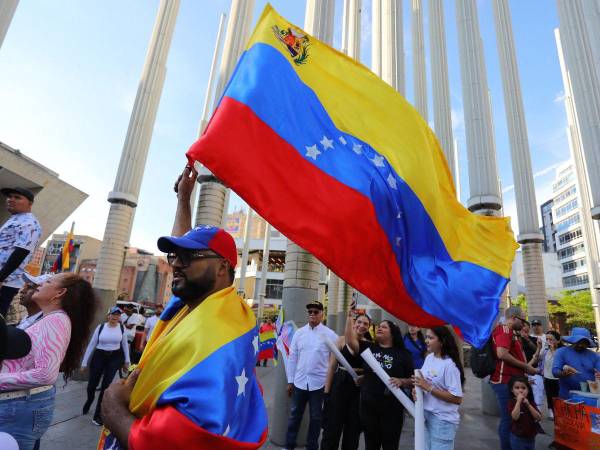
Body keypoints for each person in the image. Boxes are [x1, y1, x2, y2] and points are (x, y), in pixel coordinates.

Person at [100, 165, 267, 449]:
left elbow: (175, 439)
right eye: (174, 255)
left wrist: (113, 406)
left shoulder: (222, 329)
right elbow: (185, 249)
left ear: (222, 268)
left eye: (188, 257)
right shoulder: (196, 304)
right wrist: (183, 199)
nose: (175, 263)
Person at [0, 273, 96, 450]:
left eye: (48, 282)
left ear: (59, 293)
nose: (40, 284)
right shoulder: (49, 318)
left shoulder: (56, 320)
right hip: (17, 404)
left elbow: (45, 374)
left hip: (18, 407)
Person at [346, 312, 414, 450]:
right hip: (368, 407)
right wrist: (349, 318)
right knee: (371, 444)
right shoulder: (369, 348)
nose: (379, 328)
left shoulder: (403, 354)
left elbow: (413, 380)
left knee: (390, 445)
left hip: (392, 409)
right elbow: (350, 341)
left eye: (384, 327)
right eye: (379, 327)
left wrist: (402, 381)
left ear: (393, 333)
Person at [284, 300, 337, 450]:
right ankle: (289, 446)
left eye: (316, 311)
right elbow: (292, 358)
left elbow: (335, 360)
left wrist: (328, 385)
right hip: (299, 383)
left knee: (316, 418)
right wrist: (290, 381)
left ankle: (311, 447)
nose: (312, 314)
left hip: (318, 385)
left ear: (322, 314)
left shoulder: (330, 335)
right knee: (294, 416)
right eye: (310, 312)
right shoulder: (299, 333)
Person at [320, 311, 371, 450]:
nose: (361, 325)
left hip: (358, 388)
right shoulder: (341, 340)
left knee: (353, 428)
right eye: (359, 322)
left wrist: (365, 378)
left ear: (368, 327)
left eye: (365, 324)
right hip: (340, 383)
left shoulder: (369, 345)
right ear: (353, 324)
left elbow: (372, 371)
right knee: (332, 426)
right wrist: (326, 393)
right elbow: (331, 367)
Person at [490, 306, 538, 450]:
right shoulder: (505, 330)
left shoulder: (511, 332)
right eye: (522, 320)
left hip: (512, 381)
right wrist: (526, 367)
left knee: (512, 418)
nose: (524, 324)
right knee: (509, 418)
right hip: (504, 381)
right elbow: (502, 354)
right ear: (513, 318)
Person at [413, 326, 464, 450]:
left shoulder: (450, 365)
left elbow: (457, 398)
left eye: (430, 338)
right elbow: (424, 383)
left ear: (442, 341)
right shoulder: (429, 358)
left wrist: (429, 388)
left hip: (442, 420)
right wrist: (418, 391)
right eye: (426, 337)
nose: (426, 341)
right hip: (425, 414)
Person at [81, 306, 130, 426]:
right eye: (113, 314)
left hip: (114, 357)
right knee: (92, 385)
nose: (115, 317)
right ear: (109, 315)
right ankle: (89, 400)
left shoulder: (122, 328)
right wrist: (84, 363)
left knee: (105, 387)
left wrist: (127, 361)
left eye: (118, 315)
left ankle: (98, 415)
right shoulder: (101, 327)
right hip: (99, 356)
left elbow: (124, 345)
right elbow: (91, 345)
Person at [0, 187, 42, 317]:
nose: (11, 200)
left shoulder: (30, 223)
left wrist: (1, 278)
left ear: (30, 203)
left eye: (17, 197)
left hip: (5, 282)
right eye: (9, 197)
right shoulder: (16, 218)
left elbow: (21, 252)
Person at [552, 327, 600, 399]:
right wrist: (562, 373)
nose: (580, 345)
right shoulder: (561, 352)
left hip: (590, 397)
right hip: (567, 396)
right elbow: (555, 372)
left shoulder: (594, 356)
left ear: (588, 343)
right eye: (578, 342)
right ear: (572, 340)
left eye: (583, 343)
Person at [508, 376, 541, 450]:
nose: (520, 390)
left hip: (530, 437)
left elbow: (538, 417)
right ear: (512, 390)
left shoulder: (531, 402)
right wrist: (518, 402)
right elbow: (515, 417)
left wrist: (528, 405)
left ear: (528, 390)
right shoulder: (512, 402)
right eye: (517, 388)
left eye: (523, 388)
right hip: (518, 437)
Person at [519, 321, 544, 409]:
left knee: (537, 393)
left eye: (524, 326)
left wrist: (527, 340)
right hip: (520, 372)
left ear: (529, 328)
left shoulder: (534, 339)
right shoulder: (515, 339)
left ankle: (537, 412)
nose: (522, 328)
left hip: (533, 370)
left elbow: (537, 352)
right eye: (521, 326)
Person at [537, 330, 561, 419]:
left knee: (558, 396)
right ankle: (551, 412)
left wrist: (554, 349)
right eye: (547, 339)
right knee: (549, 395)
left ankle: (559, 412)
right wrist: (539, 348)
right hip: (547, 377)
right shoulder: (546, 350)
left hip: (558, 378)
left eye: (551, 339)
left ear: (558, 340)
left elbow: (559, 360)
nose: (548, 341)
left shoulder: (561, 351)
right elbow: (538, 359)